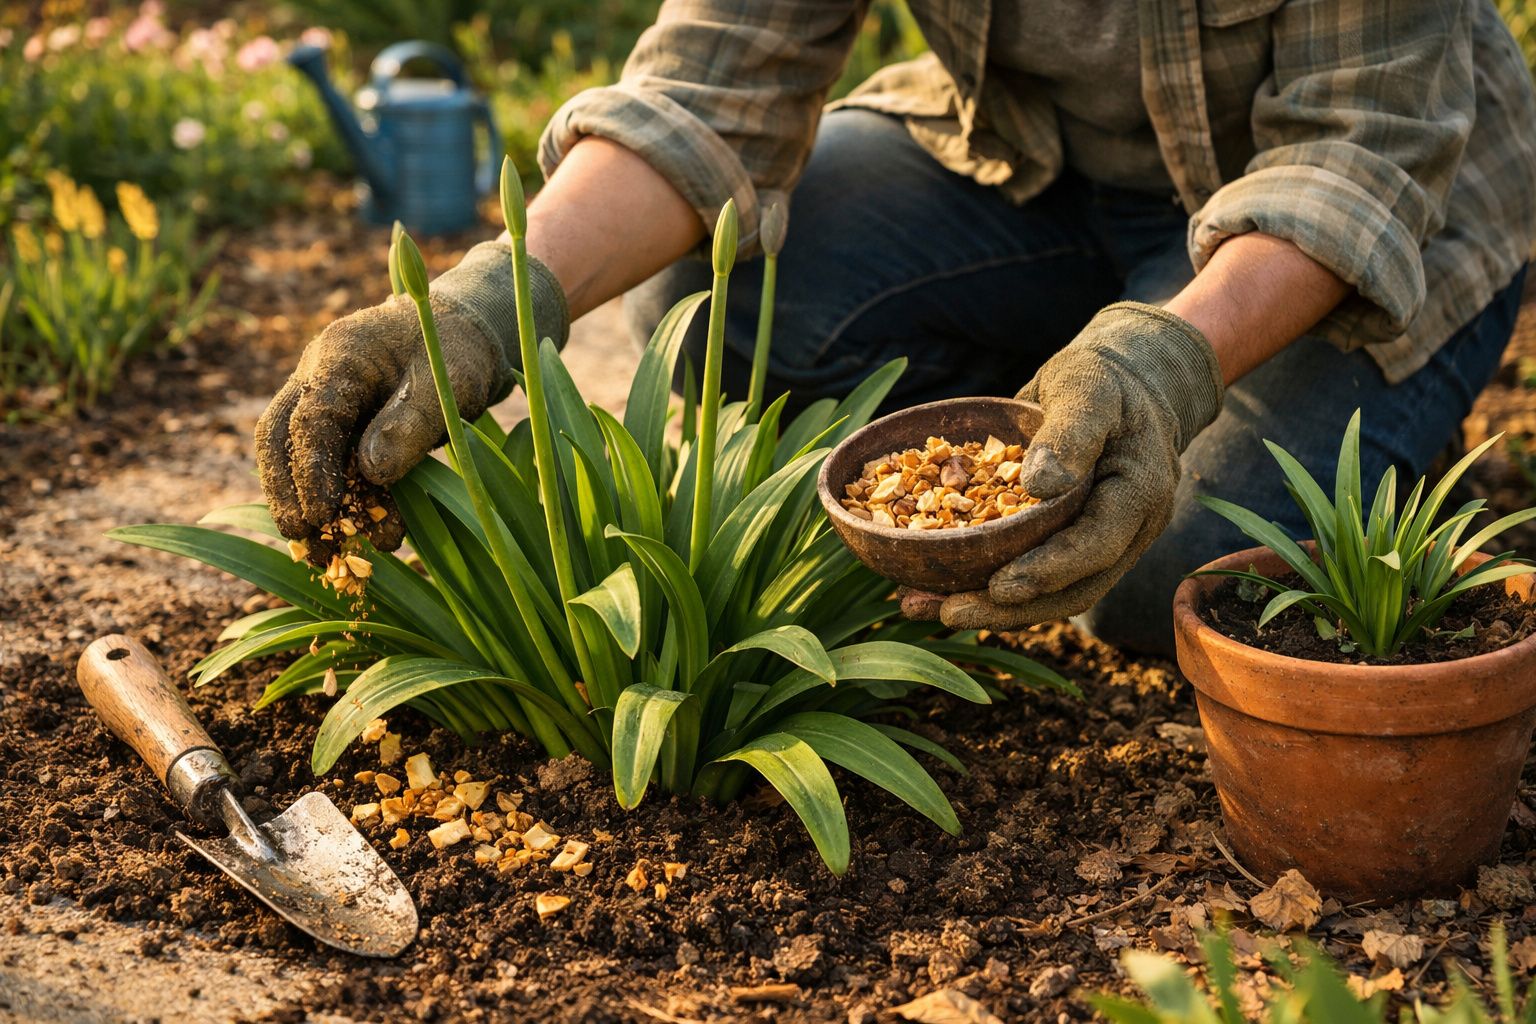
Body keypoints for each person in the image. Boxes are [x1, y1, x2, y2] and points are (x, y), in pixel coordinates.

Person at [255, 1, 1536, 657]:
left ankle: (1149, 389)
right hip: (1031, 168)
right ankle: (1048, 390)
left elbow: (1351, 161)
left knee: (1168, 574)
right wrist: (485, 302)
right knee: (725, 320)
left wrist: (1161, 360)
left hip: (1374, 219)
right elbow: (711, 84)